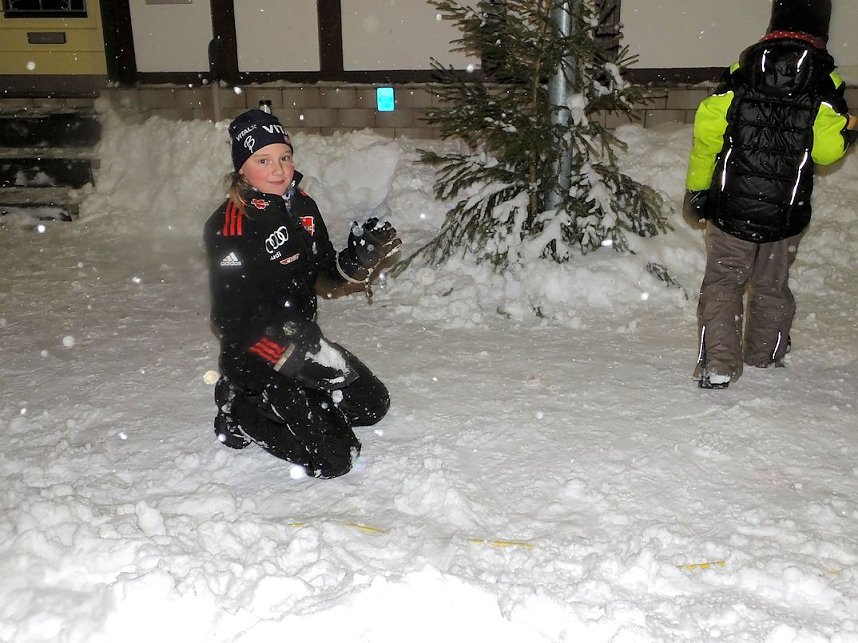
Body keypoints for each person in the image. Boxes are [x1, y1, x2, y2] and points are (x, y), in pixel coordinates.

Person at [203, 108, 401, 477]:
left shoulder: (303, 207)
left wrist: (358, 260)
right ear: (242, 169)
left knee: (373, 406)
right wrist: (290, 361)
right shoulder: (230, 226)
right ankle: (239, 410)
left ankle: (301, 403)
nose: (278, 169)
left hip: (304, 338)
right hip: (257, 356)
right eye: (263, 160)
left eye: (284, 157)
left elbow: (326, 273)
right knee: (337, 460)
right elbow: (231, 320)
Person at [684, 0, 856, 389]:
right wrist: (846, 134)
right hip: (784, 214)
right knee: (771, 283)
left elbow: (707, 132)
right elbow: (828, 151)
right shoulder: (823, 82)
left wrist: (697, 190)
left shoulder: (742, 71)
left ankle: (719, 366)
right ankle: (765, 353)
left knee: (724, 282)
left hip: (732, 207)